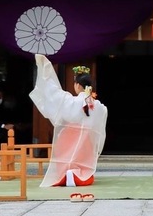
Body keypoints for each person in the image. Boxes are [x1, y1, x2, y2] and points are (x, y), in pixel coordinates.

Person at [29, 54, 107, 188]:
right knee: (86, 172)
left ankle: (67, 174)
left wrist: (46, 68)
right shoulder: (99, 106)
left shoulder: (69, 100)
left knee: (65, 163)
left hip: (67, 138)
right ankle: (77, 174)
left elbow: (52, 92)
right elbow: (99, 129)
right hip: (86, 141)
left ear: (77, 85)